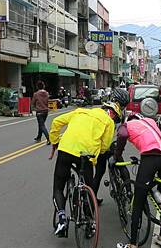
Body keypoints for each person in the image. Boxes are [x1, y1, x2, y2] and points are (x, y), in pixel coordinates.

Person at [48, 100, 123, 237]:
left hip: (66, 150)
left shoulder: (80, 111)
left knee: (58, 187)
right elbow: (105, 146)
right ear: (113, 115)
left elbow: (56, 122)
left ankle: (62, 218)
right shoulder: (109, 122)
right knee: (89, 190)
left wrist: (55, 142)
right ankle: (89, 222)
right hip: (86, 155)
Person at [114, 113, 161, 248]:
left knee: (138, 201)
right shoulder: (150, 121)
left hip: (151, 157)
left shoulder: (127, 125)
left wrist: (117, 155)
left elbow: (122, 135)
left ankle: (133, 245)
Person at [91, 88, 131, 205]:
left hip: (103, 145)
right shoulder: (121, 112)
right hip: (113, 144)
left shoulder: (104, 109)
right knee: (121, 166)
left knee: (99, 173)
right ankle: (129, 192)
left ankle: (92, 201)